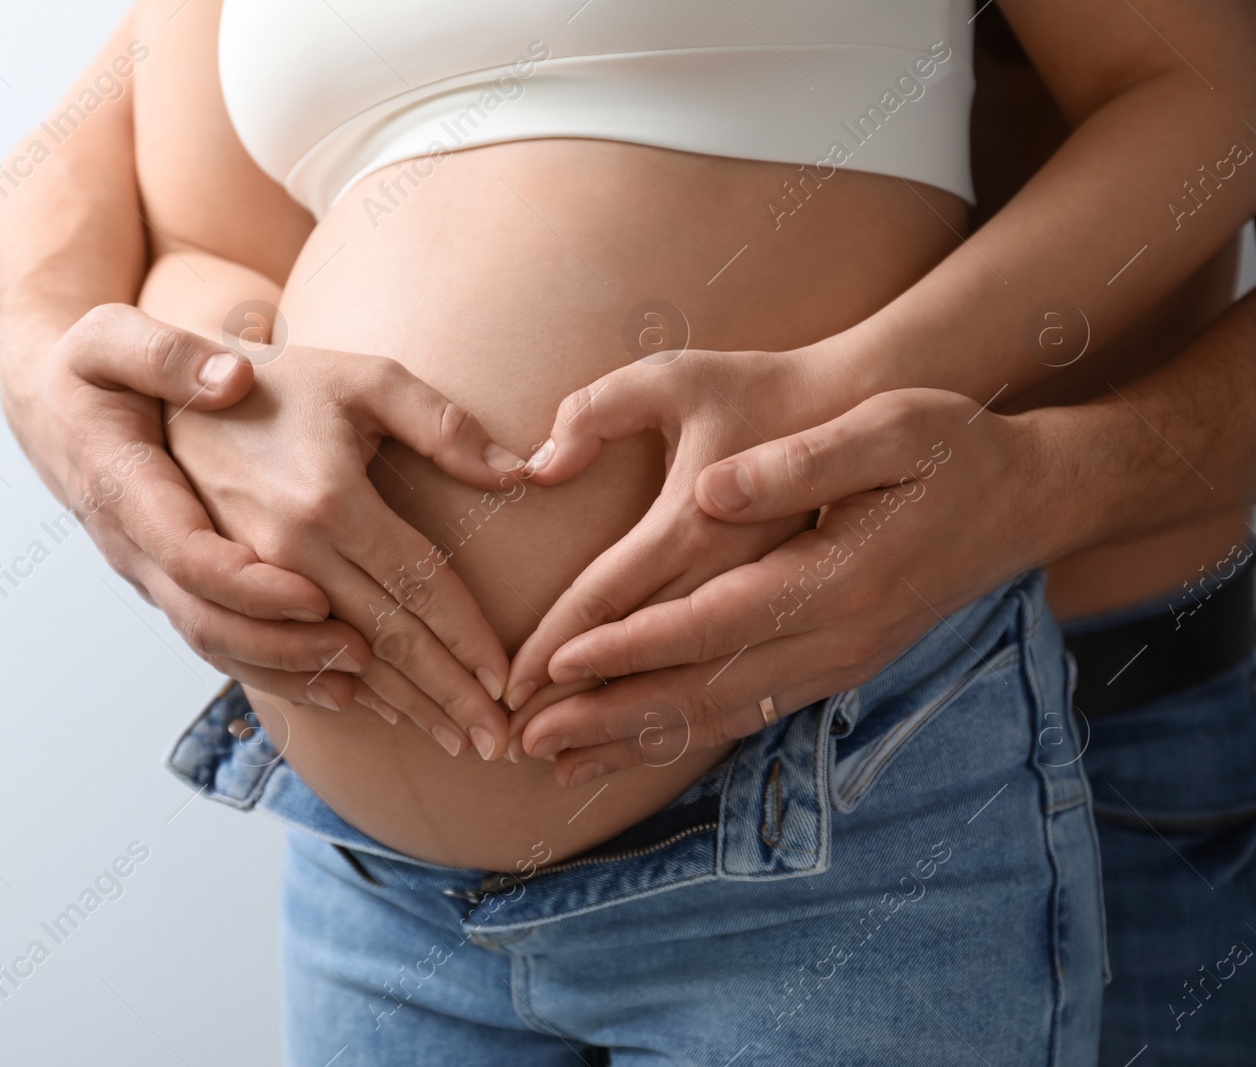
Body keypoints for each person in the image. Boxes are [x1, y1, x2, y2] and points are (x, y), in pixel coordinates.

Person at [0, 1, 1256, 1061]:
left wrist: (888, 409)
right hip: (371, 876)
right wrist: (216, 386)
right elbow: (179, 213)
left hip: (871, 765)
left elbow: (1202, 94)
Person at [510, 13, 1256, 1062]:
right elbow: (207, 232)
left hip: (1086, 739)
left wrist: (1049, 482)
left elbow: (1213, 104)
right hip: (398, 843)